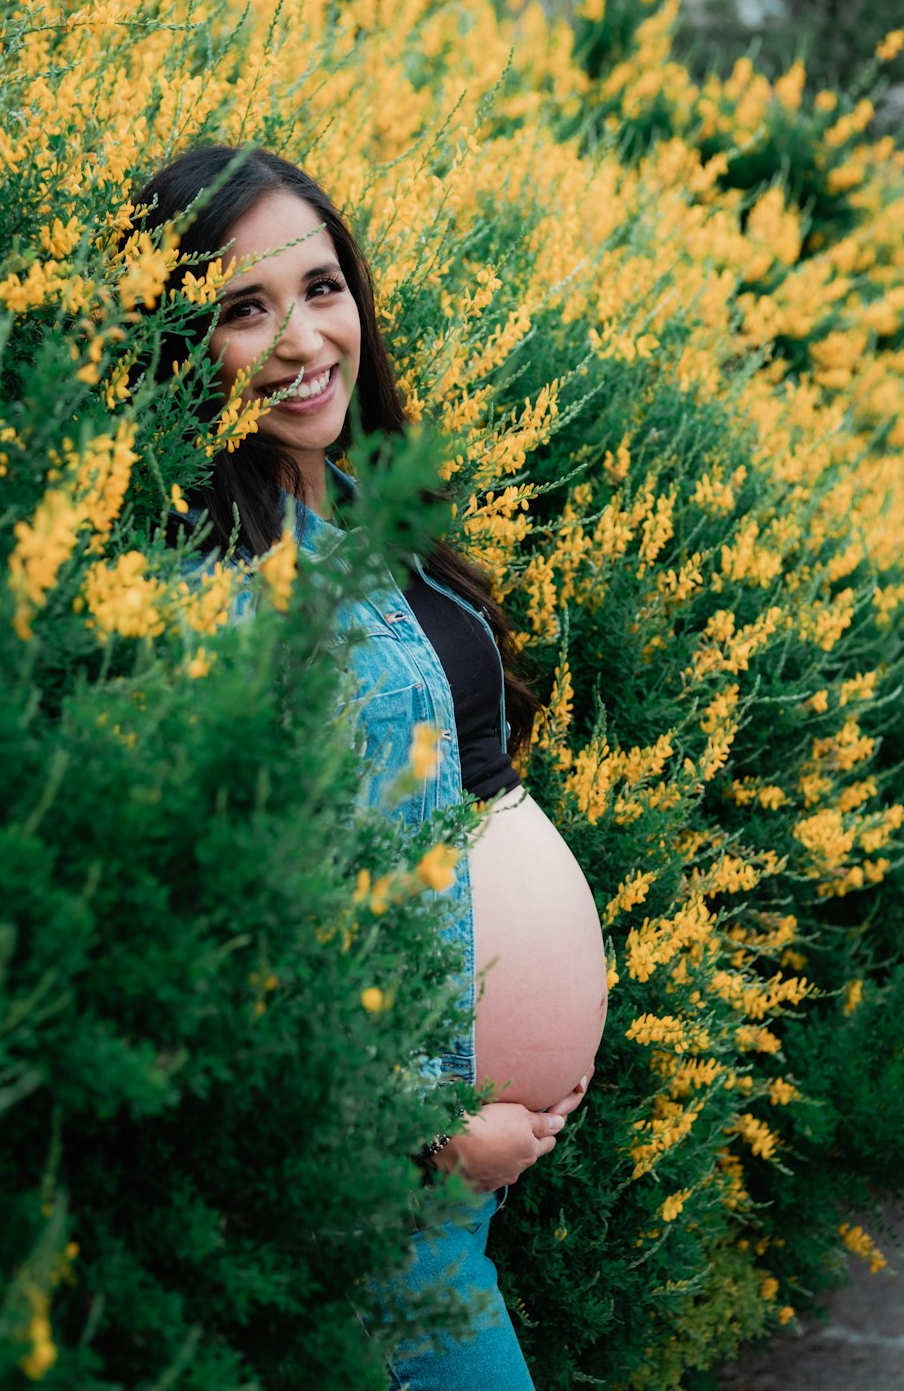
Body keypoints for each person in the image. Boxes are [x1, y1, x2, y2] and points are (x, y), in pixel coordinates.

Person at [131, 146, 609, 1388]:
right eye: (244, 309)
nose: (301, 339)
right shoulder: (216, 592)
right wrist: (439, 1136)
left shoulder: (366, 507)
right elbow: (258, 933)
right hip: (384, 1183)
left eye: (322, 288)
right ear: (183, 342)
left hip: (450, 1189)